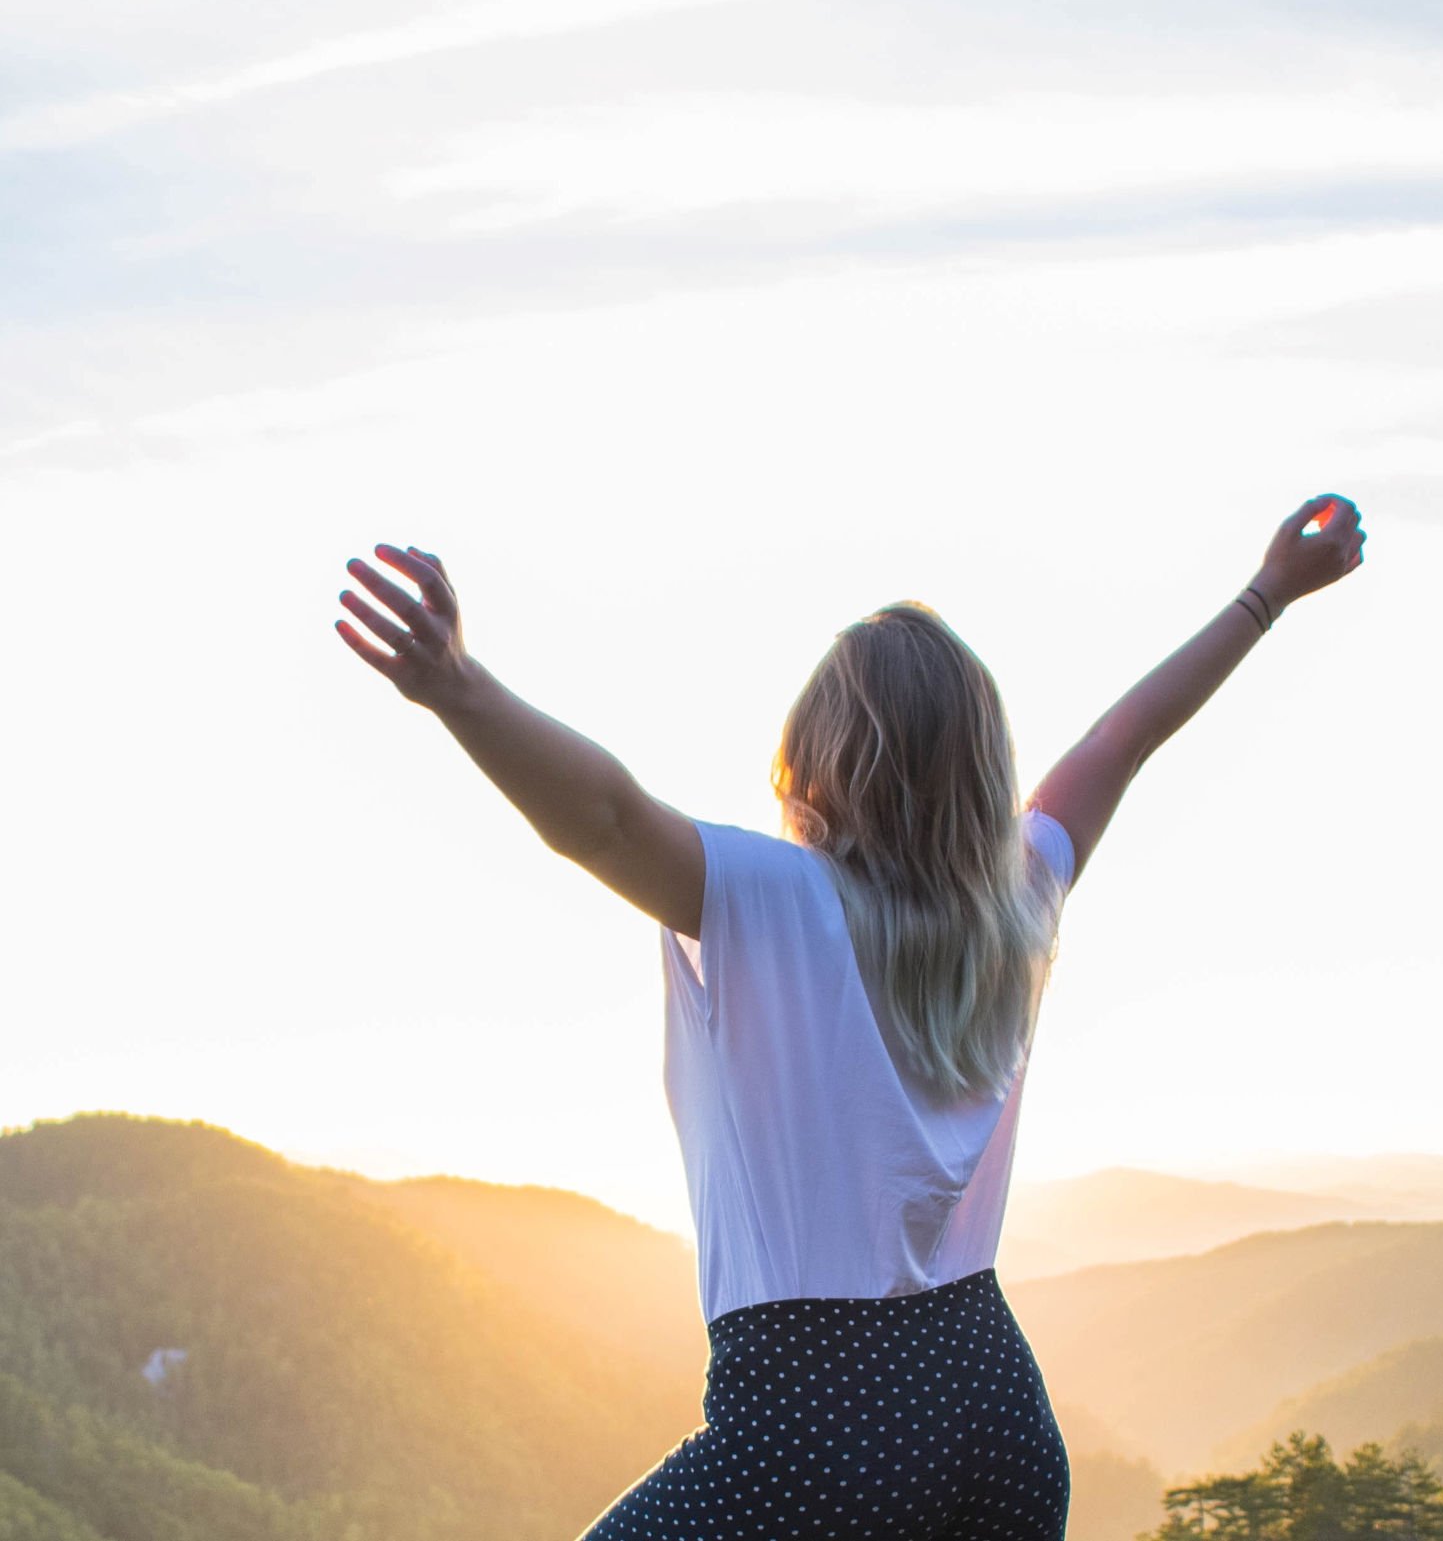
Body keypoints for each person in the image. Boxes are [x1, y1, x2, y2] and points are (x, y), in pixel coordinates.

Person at [335, 491, 1367, 1540]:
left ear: (815, 758)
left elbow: (601, 813)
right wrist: (1267, 592)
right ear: (978, 768)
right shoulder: (1021, 895)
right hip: (995, 1407)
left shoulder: (772, 897)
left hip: (814, 1422)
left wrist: (459, 687)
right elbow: (1124, 736)